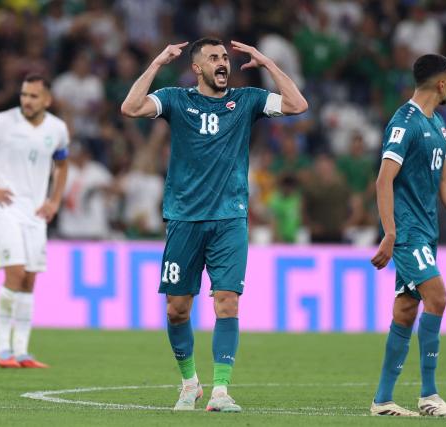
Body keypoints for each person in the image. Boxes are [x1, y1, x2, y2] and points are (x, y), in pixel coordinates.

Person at [121, 37, 307, 412]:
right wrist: (157, 61)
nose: (222, 62)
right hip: (183, 218)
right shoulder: (176, 98)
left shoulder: (248, 100)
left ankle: (221, 390)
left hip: (229, 218)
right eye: (213, 58)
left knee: (227, 302)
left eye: (225, 57)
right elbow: (131, 106)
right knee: (177, 309)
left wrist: (268, 63)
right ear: (197, 68)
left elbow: (297, 104)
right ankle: (190, 383)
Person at [370, 54, 446, 417]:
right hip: (407, 233)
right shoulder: (404, 123)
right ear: (442, 83)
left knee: (406, 310)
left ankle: (383, 401)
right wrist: (390, 232)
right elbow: (383, 179)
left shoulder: (438, 124)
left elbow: (445, 182)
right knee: (437, 297)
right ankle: (429, 395)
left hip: (426, 231)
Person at [0, 74, 69, 369]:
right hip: (5, 208)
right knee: (15, 275)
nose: (27, 100)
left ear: (47, 99)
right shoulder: (3, 122)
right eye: (24, 94)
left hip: (36, 213)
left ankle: (22, 351)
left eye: (33, 96)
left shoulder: (57, 128)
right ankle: (1, 348)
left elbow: (62, 163)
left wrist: (55, 200)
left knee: (30, 280)